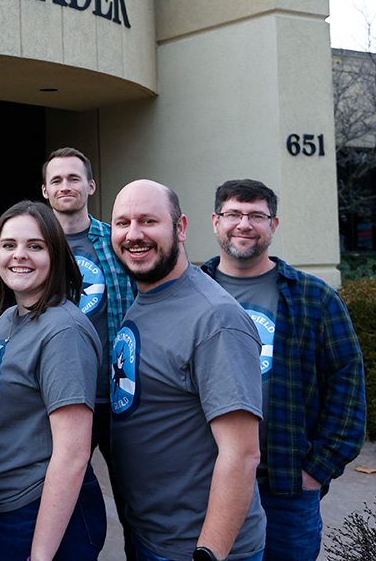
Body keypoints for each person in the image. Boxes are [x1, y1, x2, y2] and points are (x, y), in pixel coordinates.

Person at [201, 179, 366, 561]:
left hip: (286, 489)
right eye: (233, 214)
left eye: (256, 215)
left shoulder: (314, 297)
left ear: (273, 225)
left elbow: (348, 384)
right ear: (215, 221)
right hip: (205, 483)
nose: (244, 224)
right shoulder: (191, 292)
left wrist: (316, 471)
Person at [110, 180, 265, 561]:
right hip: (150, 533)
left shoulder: (216, 319)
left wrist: (208, 552)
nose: (133, 234)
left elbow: (242, 454)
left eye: (148, 221)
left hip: (197, 547)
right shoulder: (147, 296)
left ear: (180, 228)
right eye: (122, 223)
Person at [0, 201, 105, 561]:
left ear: (55, 254)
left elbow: (73, 453)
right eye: (9, 245)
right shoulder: (9, 317)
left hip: (38, 508)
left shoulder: (63, 331)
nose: (18, 255)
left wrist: (40, 555)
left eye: (35, 246)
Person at [41, 146, 136, 558]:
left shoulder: (116, 240)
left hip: (119, 397)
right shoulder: (34, 243)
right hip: (60, 397)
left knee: (138, 504)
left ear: (91, 186)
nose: (66, 186)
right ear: (45, 190)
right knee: (63, 502)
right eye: (57, 180)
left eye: (74, 178)